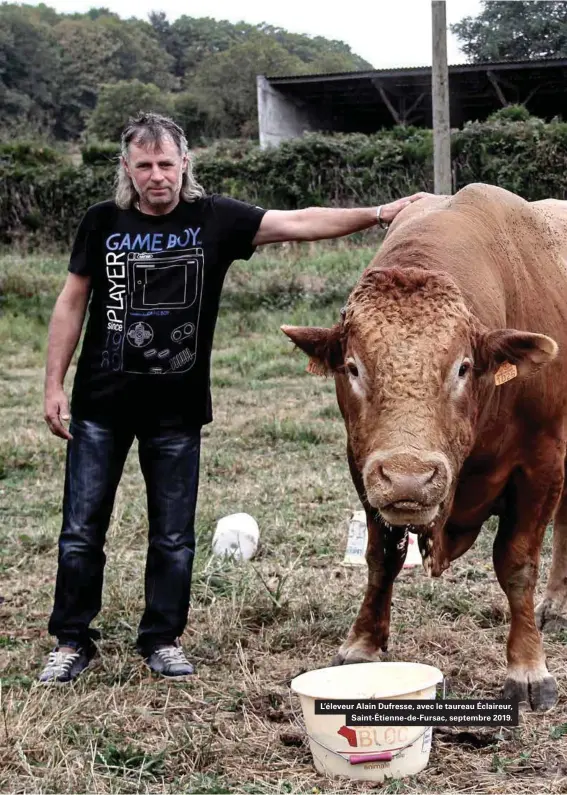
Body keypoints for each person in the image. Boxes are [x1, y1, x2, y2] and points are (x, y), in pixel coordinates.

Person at [39, 112, 428, 684]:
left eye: (166, 164)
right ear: (126, 168)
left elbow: (298, 222)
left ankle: (162, 639)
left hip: (175, 412)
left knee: (173, 536)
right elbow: (72, 302)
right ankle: (71, 641)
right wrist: (53, 382)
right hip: (100, 404)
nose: (156, 176)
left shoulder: (213, 219)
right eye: (143, 165)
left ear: (184, 163)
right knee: (80, 532)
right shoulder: (102, 222)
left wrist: (378, 214)